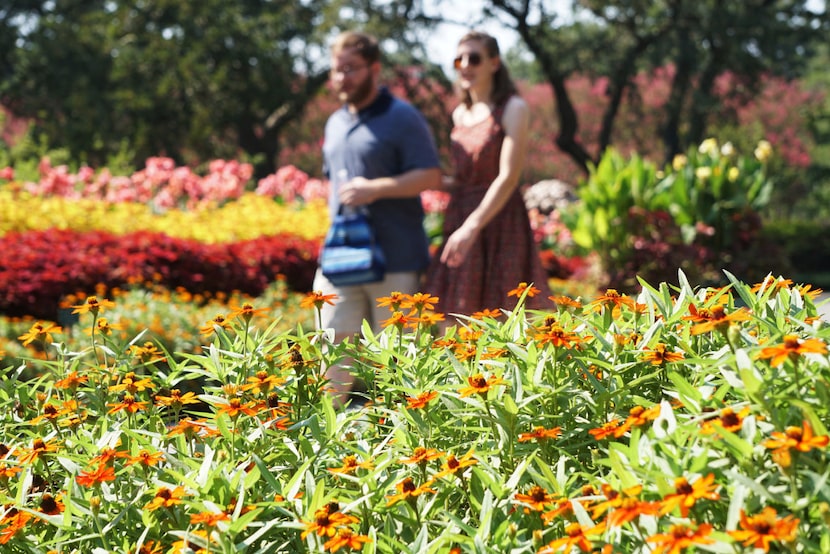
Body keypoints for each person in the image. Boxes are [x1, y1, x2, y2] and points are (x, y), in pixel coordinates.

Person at [314, 31, 442, 401]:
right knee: (331, 350)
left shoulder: (402, 117)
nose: (342, 79)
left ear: (375, 68)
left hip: (396, 259)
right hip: (340, 258)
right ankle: (325, 444)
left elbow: (430, 175)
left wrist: (375, 188)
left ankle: (407, 448)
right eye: (337, 71)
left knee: (400, 358)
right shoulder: (335, 122)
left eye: (351, 69)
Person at [425, 30, 552, 320]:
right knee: (454, 316)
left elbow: (508, 177)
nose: (465, 65)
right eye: (459, 60)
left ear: (494, 63)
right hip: (460, 216)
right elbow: (461, 180)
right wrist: (423, 180)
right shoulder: (459, 114)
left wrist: (471, 227)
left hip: (499, 220)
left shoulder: (512, 108)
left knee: (501, 319)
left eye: (474, 58)